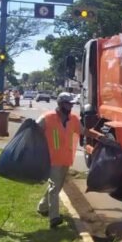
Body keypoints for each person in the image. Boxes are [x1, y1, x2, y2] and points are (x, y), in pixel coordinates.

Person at [37, 93, 81, 229]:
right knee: (54, 188)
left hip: (66, 159)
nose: (71, 106)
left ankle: (42, 206)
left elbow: (83, 131)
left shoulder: (73, 119)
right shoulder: (47, 118)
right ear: (61, 104)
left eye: (72, 104)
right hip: (51, 160)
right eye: (68, 104)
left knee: (56, 186)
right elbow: (34, 131)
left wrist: (100, 137)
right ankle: (54, 218)